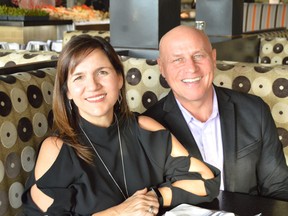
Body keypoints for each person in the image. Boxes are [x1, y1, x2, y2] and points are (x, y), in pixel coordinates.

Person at [21, 34, 220, 215]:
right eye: (79, 77)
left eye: (102, 73)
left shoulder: (144, 127)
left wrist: (154, 198)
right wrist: (119, 212)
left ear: (119, 79)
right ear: (68, 92)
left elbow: (205, 180)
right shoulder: (57, 148)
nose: (93, 86)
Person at [144, 25, 288, 201]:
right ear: (161, 67)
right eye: (177, 60)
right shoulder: (147, 126)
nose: (191, 68)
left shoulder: (255, 110)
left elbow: (279, 188)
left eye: (198, 56)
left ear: (213, 58)